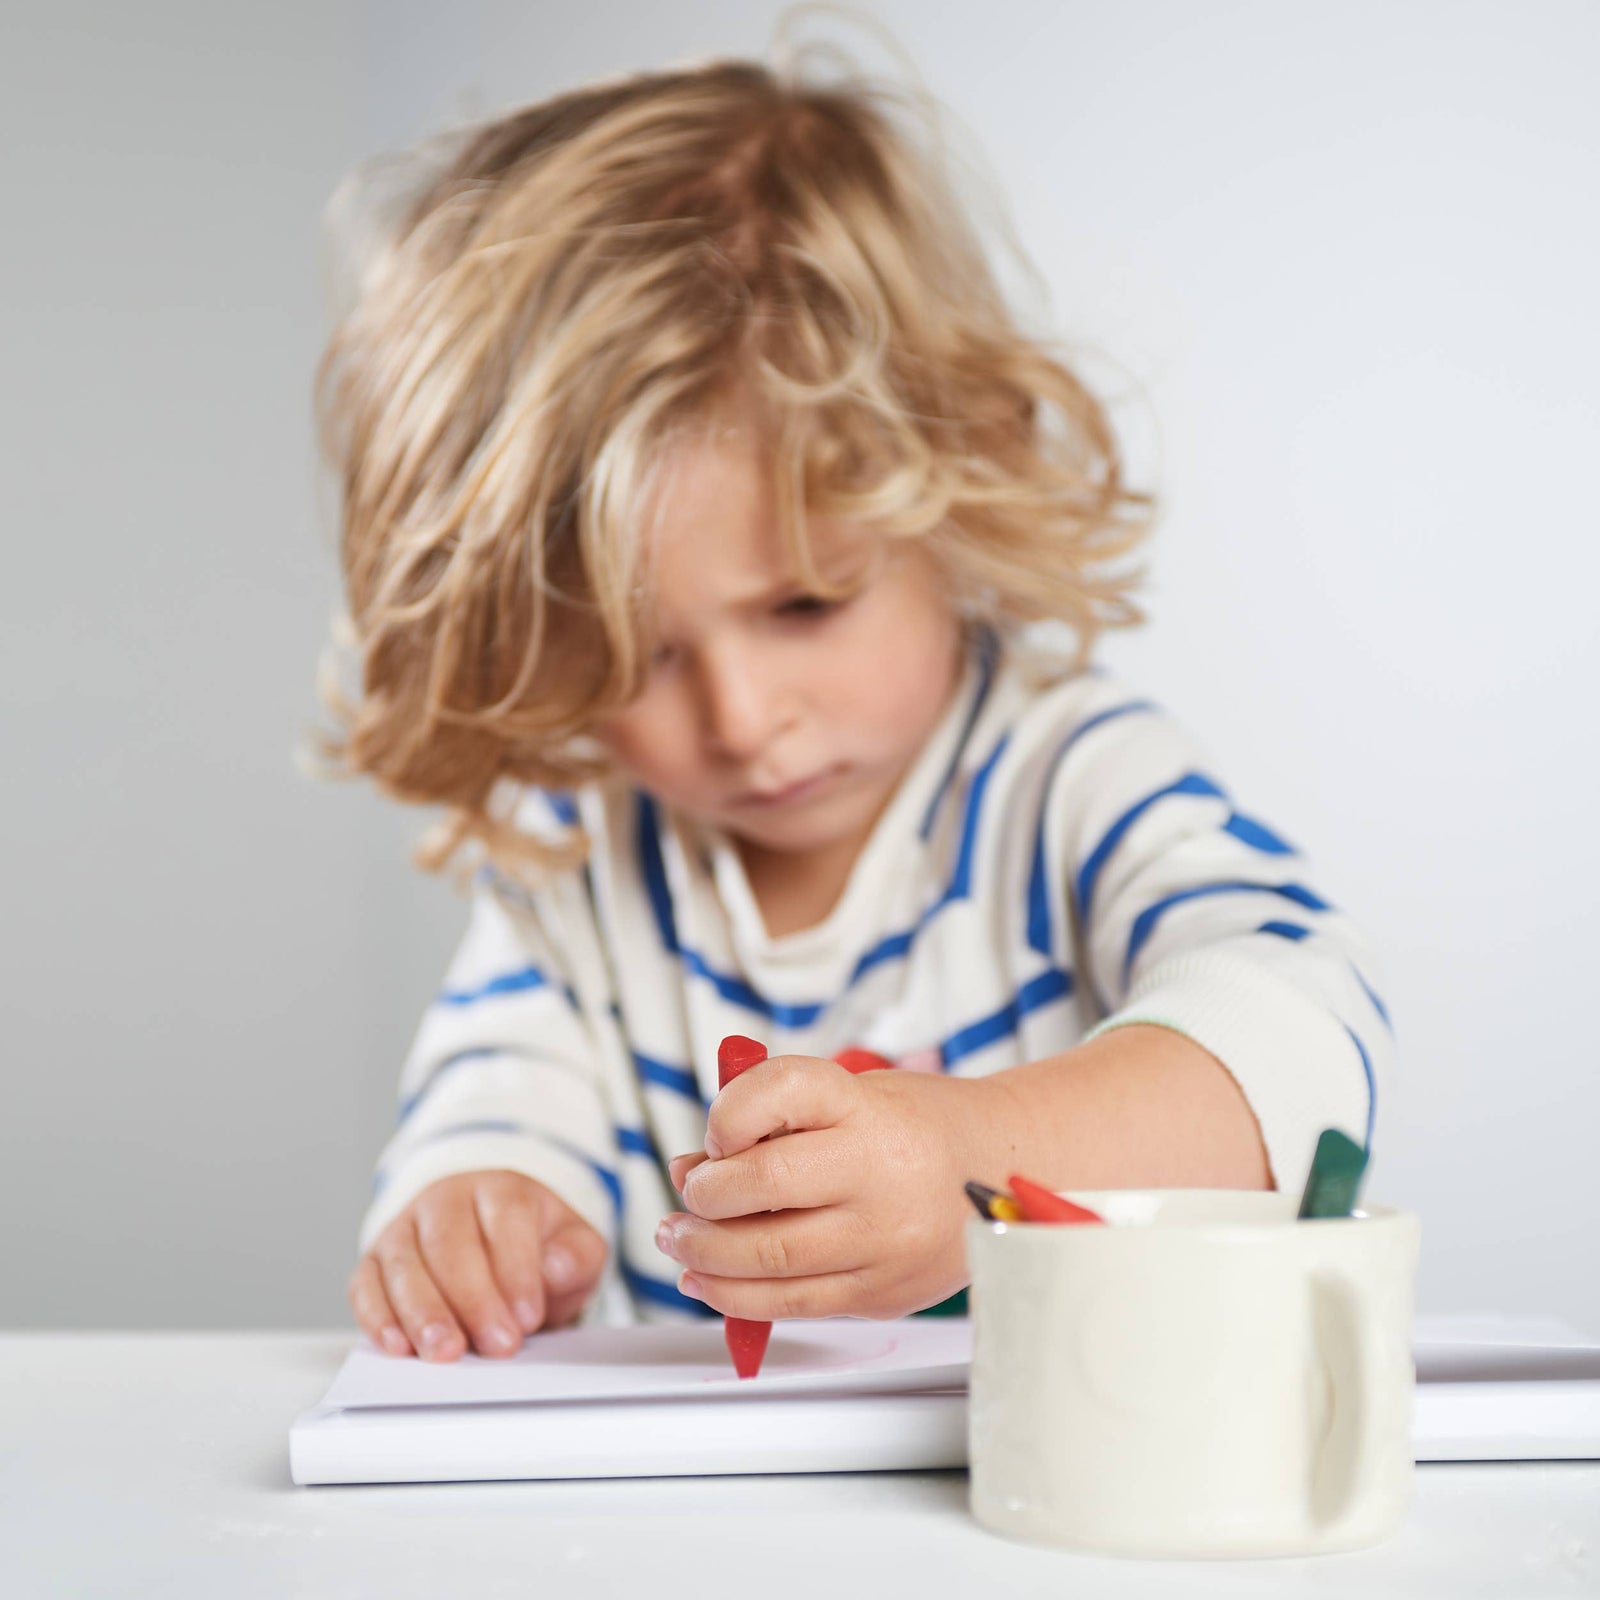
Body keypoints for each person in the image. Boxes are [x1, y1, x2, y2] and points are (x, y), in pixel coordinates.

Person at [315, 56, 1390, 1363]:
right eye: (640, 656)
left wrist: (975, 1158)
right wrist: (481, 1226)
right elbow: (494, 1115)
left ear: (955, 488)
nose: (744, 715)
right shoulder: (578, 855)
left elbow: (1304, 1034)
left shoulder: (1065, 777)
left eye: (808, 603)